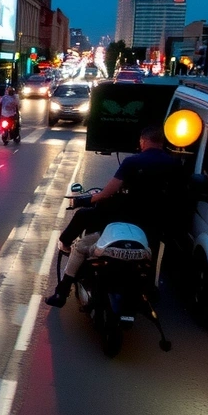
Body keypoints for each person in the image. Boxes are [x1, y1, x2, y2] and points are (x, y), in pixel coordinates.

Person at [46, 126, 181, 308]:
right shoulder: (175, 164)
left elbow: (107, 193)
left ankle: (62, 292)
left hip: (125, 223)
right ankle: (148, 290)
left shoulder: (132, 162)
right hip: (154, 230)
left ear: (143, 140)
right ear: (162, 142)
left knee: (81, 246)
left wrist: (86, 200)